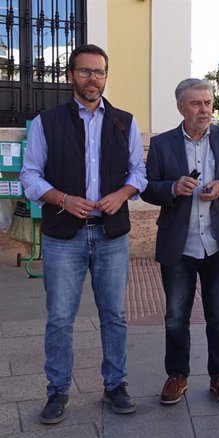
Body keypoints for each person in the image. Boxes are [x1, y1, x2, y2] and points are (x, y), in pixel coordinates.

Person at [20, 44, 146, 424]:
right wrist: (62, 198)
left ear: (107, 76)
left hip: (111, 235)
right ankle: (57, 392)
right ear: (71, 74)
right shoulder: (47, 121)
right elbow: (29, 176)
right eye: (85, 71)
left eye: (100, 72)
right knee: (59, 317)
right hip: (63, 235)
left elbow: (139, 173)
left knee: (114, 315)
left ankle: (115, 385)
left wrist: (121, 194)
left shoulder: (125, 121)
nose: (93, 78)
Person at [140, 79, 219, 406]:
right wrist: (173, 188)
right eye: (196, 104)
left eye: (207, 103)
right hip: (179, 245)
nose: (204, 110)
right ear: (181, 107)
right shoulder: (162, 144)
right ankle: (177, 375)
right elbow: (147, 187)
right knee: (176, 316)